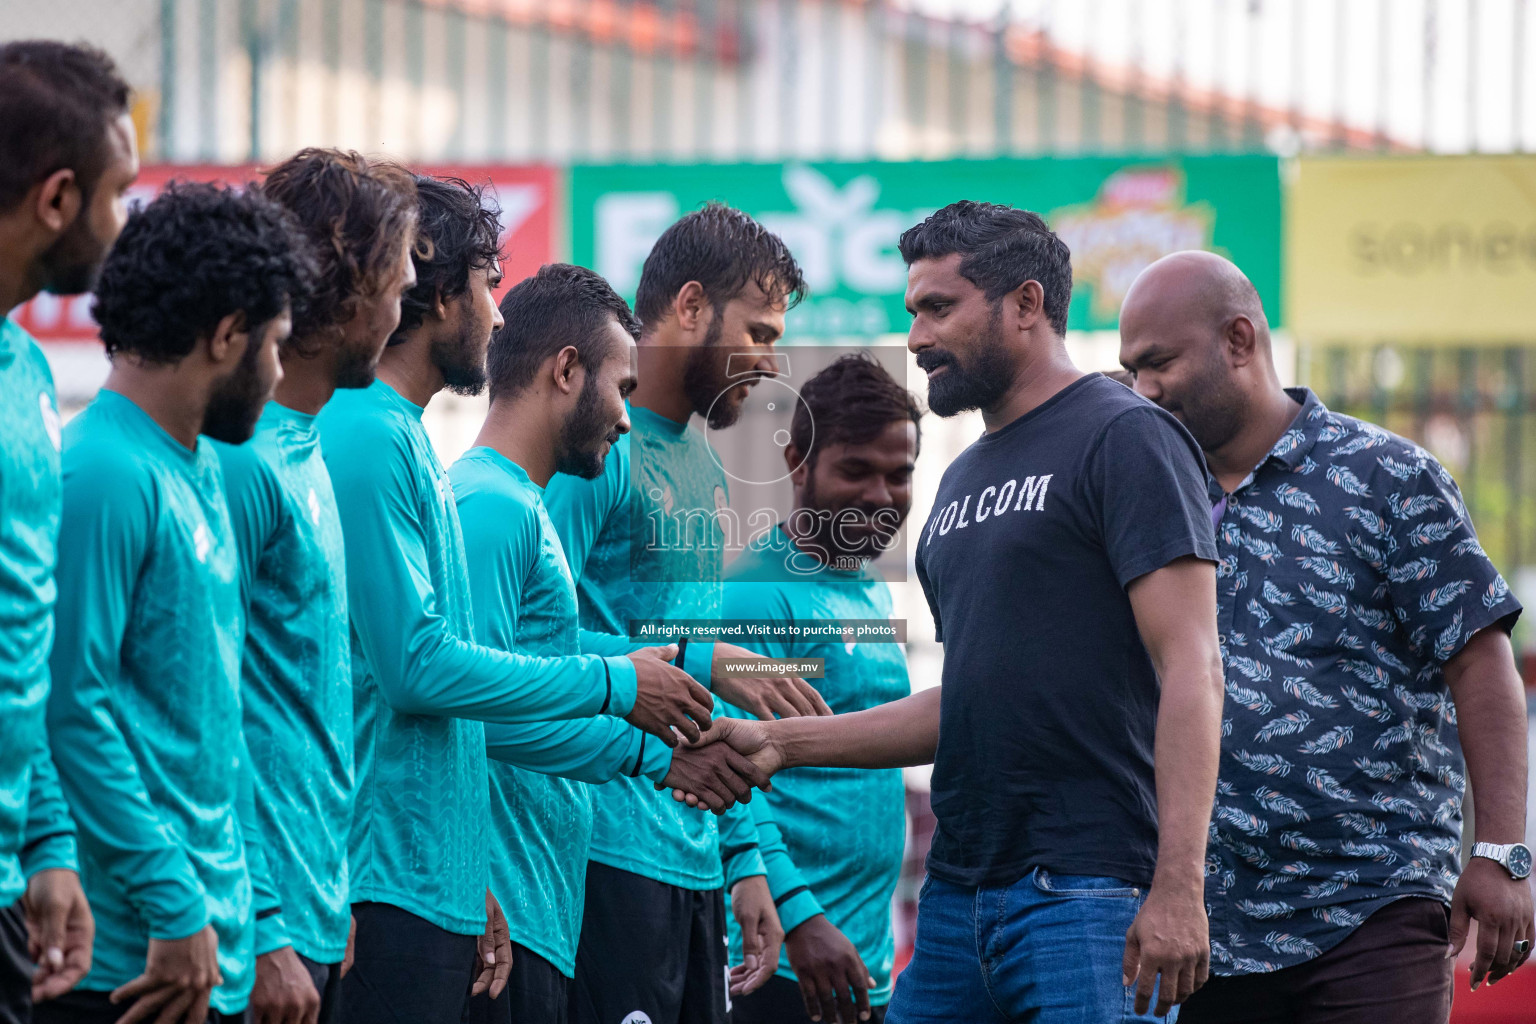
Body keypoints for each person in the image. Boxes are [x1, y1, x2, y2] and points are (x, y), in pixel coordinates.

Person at [673, 201, 1226, 1023]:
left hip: (1084, 892)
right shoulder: (959, 490)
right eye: (911, 312)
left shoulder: (1126, 437)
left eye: (939, 308)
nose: (916, 337)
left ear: (1027, 305)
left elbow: (1194, 665)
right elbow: (965, 704)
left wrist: (1180, 885)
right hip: (956, 905)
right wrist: (778, 743)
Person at [316, 177, 712, 1024]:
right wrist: (626, 706)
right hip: (389, 883)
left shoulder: (410, 443)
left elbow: (477, 675)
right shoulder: (419, 460)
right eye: (489, 284)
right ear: (435, 287)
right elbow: (424, 673)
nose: (497, 318)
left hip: (454, 890)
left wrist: (469, 870)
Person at [1117, 250, 1533, 1023]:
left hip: (1369, 912)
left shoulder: (1387, 477)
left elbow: (1482, 663)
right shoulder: (1145, 497)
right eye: (1130, 370)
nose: (1143, 390)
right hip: (1198, 928)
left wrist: (1503, 852)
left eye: (1158, 363)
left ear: (1239, 340)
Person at [450, 264, 774, 1024]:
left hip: (556, 903)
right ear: (567, 369)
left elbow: (528, 676)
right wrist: (656, 681)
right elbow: (464, 701)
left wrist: (682, 778)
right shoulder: (492, 503)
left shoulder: (520, 502)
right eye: (619, 389)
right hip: (536, 897)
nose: (625, 419)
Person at [542, 203, 831, 1024]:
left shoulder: (705, 464)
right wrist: (709, 664)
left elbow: (692, 666)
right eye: (762, 334)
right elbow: (529, 643)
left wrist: (744, 860)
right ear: (691, 306)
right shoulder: (593, 445)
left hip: (694, 863)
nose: (771, 365)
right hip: (598, 853)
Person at [42, 183, 313, 1024]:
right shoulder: (103, 474)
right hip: (126, 966)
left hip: (208, 946)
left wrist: (255, 917)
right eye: (273, 345)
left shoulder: (198, 469)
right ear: (227, 334)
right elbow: (69, 708)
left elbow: (217, 733)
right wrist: (171, 898)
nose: (276, 371)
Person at [211, 149, 419, 1024]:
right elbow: (201, 714)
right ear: (348, 273)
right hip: (249, 938)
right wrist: (262, 923)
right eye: (399, 281)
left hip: (316, 914)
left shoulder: (311, 446)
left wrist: (329, 895)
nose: (405, 300)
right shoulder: (239, 462)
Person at [0, 39, 137, 1023]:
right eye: (117, 191)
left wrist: (46, 841)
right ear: (57, 198)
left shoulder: (28, 372)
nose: (126, 220)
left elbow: (22, 643)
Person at [722, 354, 921, 1024]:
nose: (881, 496)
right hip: (781, 958)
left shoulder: (865, 586)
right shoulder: (758, 590)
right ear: (796, 462)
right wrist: (801, 919)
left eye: (900, 475)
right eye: (856, 470)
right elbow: (726, 773)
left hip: (858, 955)